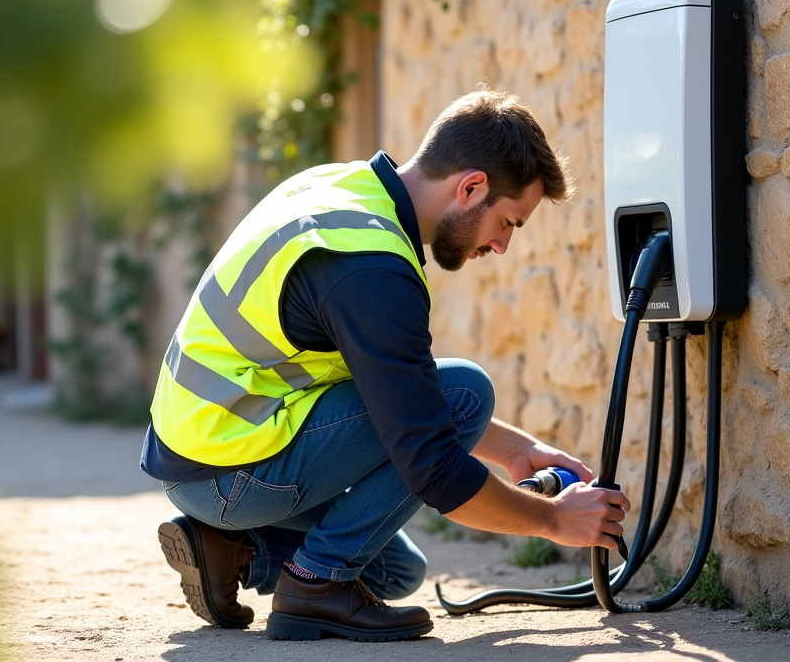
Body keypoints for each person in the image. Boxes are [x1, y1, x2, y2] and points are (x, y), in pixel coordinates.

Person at [140, 87, 630, 642]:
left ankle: (233, 549)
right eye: (510, 222)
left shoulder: (339, 190)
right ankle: (314, 584)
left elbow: (397, 395)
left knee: (398, 572)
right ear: (471, 187)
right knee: (466, 391)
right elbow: (432, 462)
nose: (502, 246)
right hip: (230, 470)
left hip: (203, 453)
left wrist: (520, 453)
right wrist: (554, 521)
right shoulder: (369, 268)